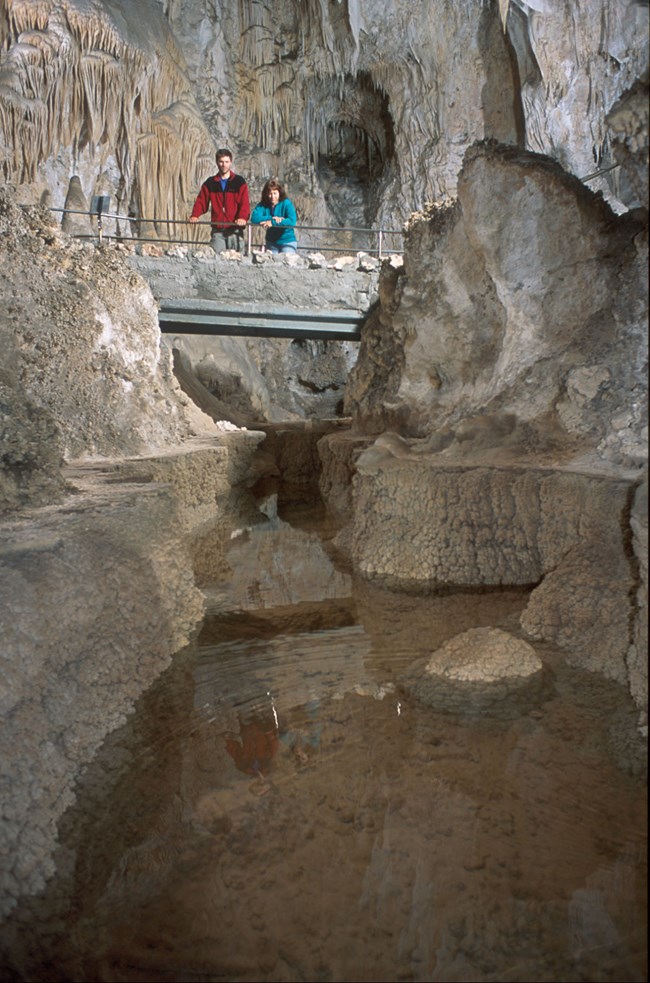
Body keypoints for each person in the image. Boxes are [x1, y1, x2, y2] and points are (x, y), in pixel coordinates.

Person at [189, 147, 250, 253]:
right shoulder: (210, 183)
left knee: (237, 260)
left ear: (231, 162)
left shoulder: (239, 182)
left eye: (226, 162)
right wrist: (195, 215)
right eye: (221, 162)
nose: (224, 164)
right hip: (218, 229)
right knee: (216, 258)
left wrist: (242, 217)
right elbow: (201, 201)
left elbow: (244, 203)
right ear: (217, 162)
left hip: (235, 229)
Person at [250, 178, 298, 253]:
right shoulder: (263, 204)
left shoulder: (286, 203)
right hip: (271, 242)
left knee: (287, 263)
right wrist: (271, 219)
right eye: (270, 193)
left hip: (287, 241)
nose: (272, 196)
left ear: (279, 193)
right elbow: (254, 218)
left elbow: (292, 221)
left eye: (275, 193)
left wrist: (273, 223)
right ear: (266, 194)